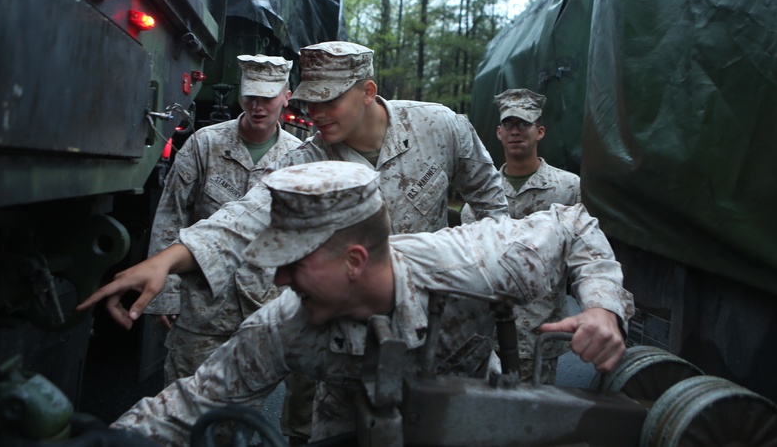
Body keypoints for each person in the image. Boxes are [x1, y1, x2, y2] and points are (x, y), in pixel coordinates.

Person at [78, 41, 508, 443]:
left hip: (443, 331)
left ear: (368, 91)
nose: (315, 112)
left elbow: (492, 204)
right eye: (309, 100)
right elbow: (247, 213)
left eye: (329, 99)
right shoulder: (306, 160)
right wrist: (170, 259)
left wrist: (487, 279)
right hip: (351, 340)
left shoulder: (440, 127)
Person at [108, 161, 633, 444]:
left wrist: (602, 306)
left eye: (295, 261)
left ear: (354, 261)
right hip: (351, 429)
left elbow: (572, 226)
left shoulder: (470, 260)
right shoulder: (285, 323)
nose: (281, 277)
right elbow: (192, 403)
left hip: (472, 423)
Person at [143, 54, 301, 385]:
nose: (258, 106)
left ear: (286, 96)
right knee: (185, 408)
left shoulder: (298, 157)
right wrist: (167, 294)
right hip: (202, 308)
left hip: (262, 310)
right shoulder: (206, 144)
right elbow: (172, 214)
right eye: (250, 96)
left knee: (240, 416)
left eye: (268, 98)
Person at [463, 88, 582, 384]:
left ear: (540, 132)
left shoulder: (567, 189)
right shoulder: (479, 198)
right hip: (487, 335)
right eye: (509, 125)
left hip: (541, 331)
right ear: (499, 133)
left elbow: (583, 255)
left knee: (535, 419)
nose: (516, 132)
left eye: (524, 124)